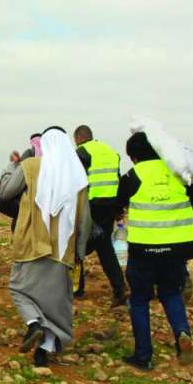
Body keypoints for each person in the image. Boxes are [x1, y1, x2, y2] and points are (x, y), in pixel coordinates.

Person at [0, 126, 91, 367]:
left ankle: (33, 324)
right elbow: (84, 219)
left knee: (19, 289)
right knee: (55, 305)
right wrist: (79, 253)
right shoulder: (78, 176)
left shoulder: (31, 167)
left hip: (31, 243)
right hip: (63, 250)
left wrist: (13, 166)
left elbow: (5, 192)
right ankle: (44, 351)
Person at [117, 132, 193, 370]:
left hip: (143, 248)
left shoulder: (132, 175)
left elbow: (118, 204)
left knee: (139, 299)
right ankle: (182, 333)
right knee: (171, 293)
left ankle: (143, 356)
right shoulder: (179, 172)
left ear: (133, 157)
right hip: (176, 248)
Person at [73, 125, 127, 307]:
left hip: (91, 206)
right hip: (110, 206)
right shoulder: (110, 152)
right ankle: (119, 288)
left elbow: (76, 181)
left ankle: (77, 289)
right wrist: (119, 209)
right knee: (105, 249)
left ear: (79, 138)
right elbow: (117, 179)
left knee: (77, 246)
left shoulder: (81, 152)